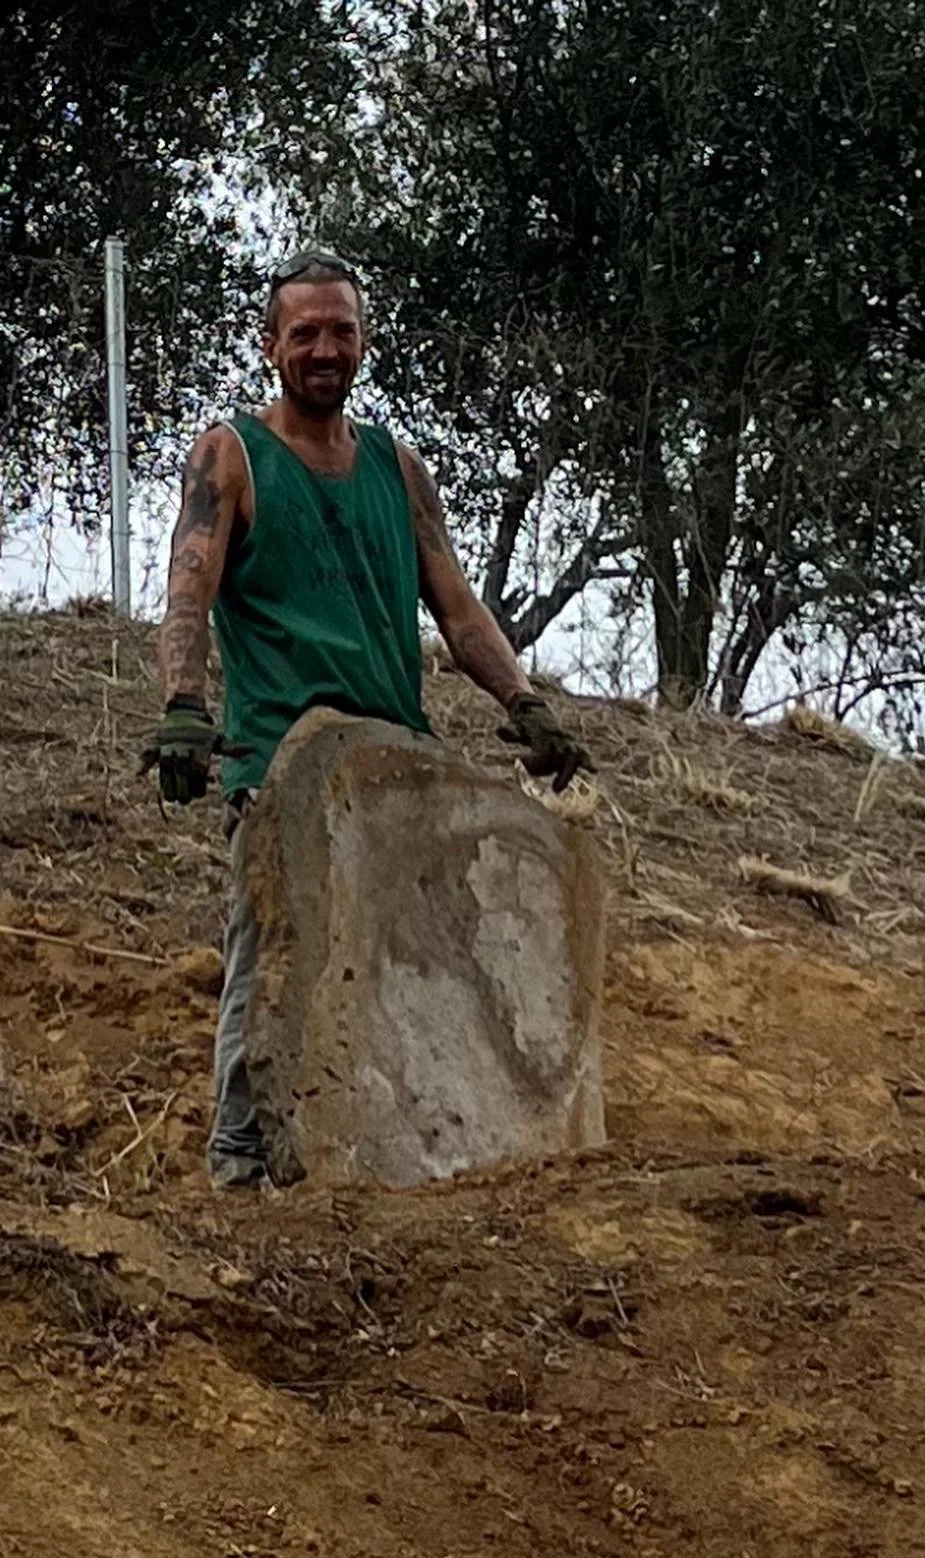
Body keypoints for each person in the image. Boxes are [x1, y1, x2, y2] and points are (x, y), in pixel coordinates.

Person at [144, 250, 593, 1189]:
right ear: (270, 345)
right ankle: (241, 1167)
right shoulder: (231, 455)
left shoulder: (398, 464)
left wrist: (527, 703)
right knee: (273, 960)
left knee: (394, 972)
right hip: (284, 767)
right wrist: (185, 707)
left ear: (364, 342)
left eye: (340, 331)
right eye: (302, 331)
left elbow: (460, 611)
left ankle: (377, 1179)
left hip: (394, 770)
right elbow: (188, 592)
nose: (322, 348)